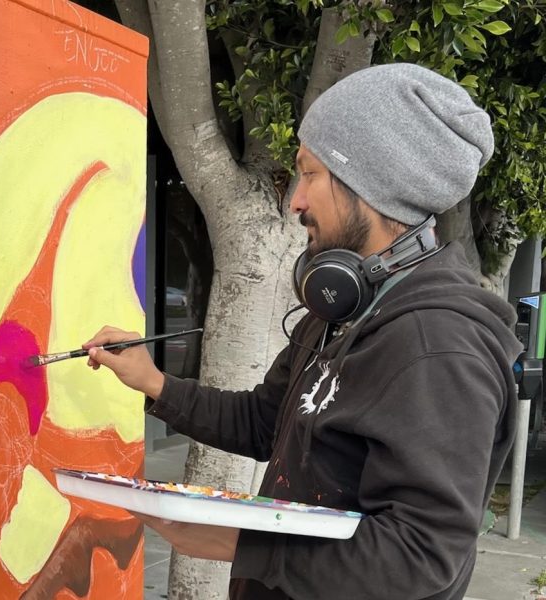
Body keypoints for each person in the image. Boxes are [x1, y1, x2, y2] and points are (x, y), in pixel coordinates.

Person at [83, 63, 522, 600]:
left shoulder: (439, 347)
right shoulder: (343, 309)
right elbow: (265, 421)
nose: (295, 200)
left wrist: (241, 546)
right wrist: (153, 382)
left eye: (310, 173)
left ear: (372, 186)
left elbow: (421, 558)